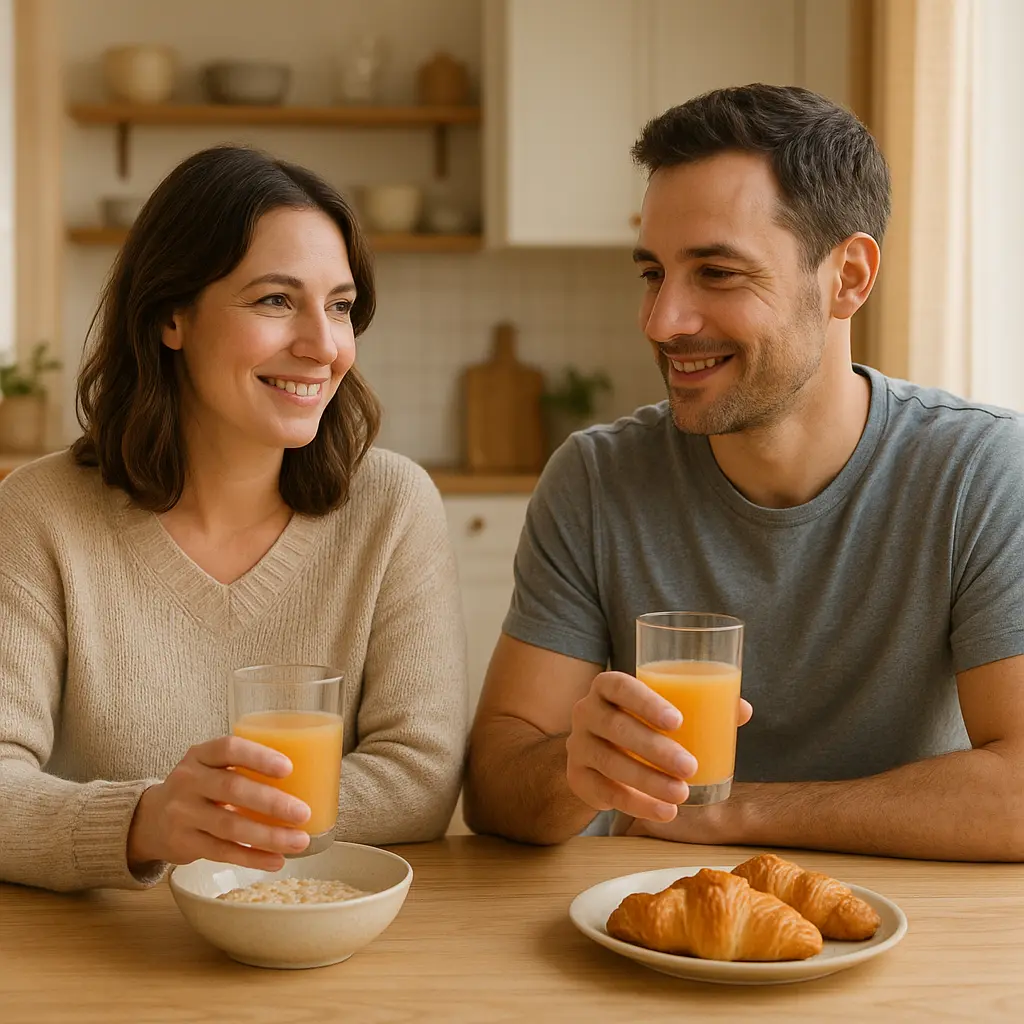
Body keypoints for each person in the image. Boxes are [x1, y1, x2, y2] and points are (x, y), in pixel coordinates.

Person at [464, 85, 1024, 860]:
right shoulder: (597, 480)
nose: (662, 322)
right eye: (653, 274)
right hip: (643, 927)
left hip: (910, 937)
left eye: (717, 273)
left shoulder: (979, 472)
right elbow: (495, 786)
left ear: (848, 277)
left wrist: (735, 815)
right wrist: (572, 767)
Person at [0, 145, 466, 892]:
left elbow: (421, 776)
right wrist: (146, 820)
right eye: (276, 300)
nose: (323, 346)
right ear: (171, 316)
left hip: (320, 932)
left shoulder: (392, 507)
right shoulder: (40, 513)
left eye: (340, 306)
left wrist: (223, 819)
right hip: (101, 955)